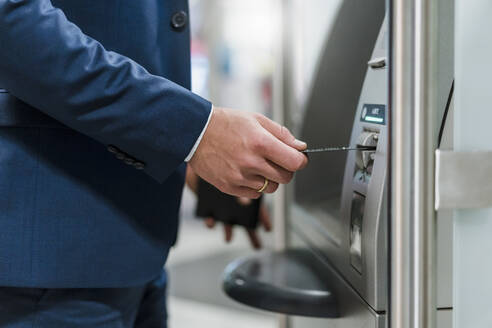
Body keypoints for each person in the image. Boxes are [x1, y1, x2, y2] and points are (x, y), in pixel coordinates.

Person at [0, 0, 308, 327]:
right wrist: (194, 134)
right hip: (51, 258)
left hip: (137, 244)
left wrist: (178, 155)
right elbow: (11, 23)